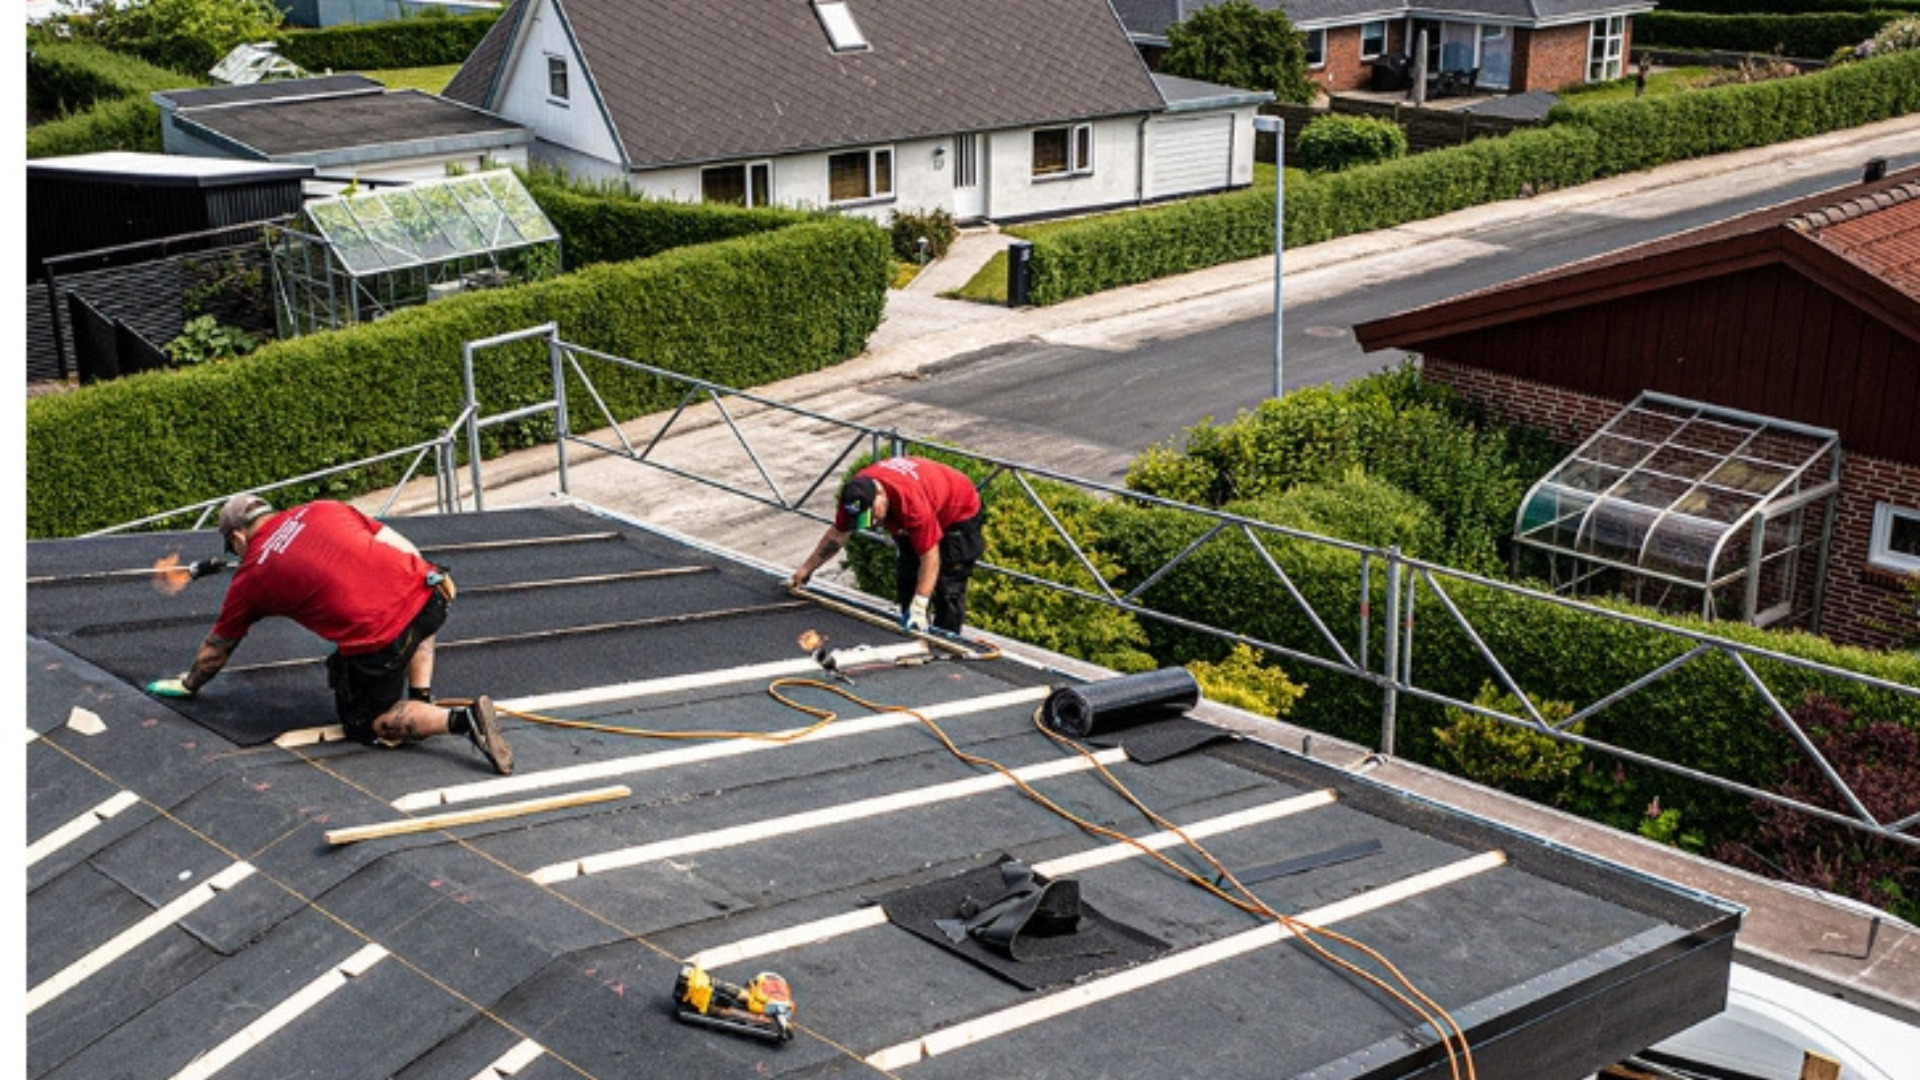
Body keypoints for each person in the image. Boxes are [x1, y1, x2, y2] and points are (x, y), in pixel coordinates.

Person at [145, 494, 513, 775]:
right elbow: (401, 545)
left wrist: (189, 684)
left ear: (239, 537)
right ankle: (421, 697)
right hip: (432, 591)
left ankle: (464, 721)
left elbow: (215, 651)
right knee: (411, 608)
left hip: (384, 635)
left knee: (368, 723)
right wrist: (425, 574)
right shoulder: (324, 507)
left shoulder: (252, 576)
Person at [790, 457, 984, 634]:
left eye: (874, 516)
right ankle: (914, 631)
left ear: (881, 495)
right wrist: (806, 569)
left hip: (957, 510)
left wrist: (920, 604)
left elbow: (930, 557)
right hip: (918, 504)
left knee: (948, 586)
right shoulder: (854, 497)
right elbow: (837, 535)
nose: (873, 523)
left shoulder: (910, 503)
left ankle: (946, 644)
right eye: (866, 519)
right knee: (908, 571)